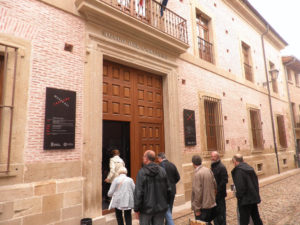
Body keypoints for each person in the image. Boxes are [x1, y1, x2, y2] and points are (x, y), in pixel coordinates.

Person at [134, 150, 171, 225]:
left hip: (146, 209)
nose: (142, 158)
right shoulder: (162, 171)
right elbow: (169, 189)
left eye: (144, 156)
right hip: (160, 208)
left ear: (146, 158)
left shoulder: (141, 172)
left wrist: (136, 208)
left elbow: (139, 192)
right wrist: (165, 203)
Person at [231, 154, 263, 225]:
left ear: (235, 161)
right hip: (253, 197)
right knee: (256, 218)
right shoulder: (250, 168)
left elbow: (241, 187)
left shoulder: (238, 171)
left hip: (245, 200)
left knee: (244, 221)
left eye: (233, 162)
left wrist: (238, 196)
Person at [191, 155, 217, 225]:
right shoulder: (208, 170)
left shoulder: (198, 174)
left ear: (193, 163)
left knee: (202, 223)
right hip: (210, 204)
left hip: (203, 206)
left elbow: (197, 193)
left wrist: (197, 209)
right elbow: (215, 185)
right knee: (208, 222)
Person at [158, 152, 180, 225]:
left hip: (163, 191)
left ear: (160, 158)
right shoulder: (172, 165)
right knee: (170, 207)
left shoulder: (159, 167)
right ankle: (167, 223)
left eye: (158, 159)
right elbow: (178, 177)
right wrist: (172, 184)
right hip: (172, 190)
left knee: (162, 209)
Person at [211, 151, 228, 225]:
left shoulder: (222, 167)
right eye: (211, 156)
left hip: (220, 195)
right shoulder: (212, 166)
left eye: (213, 156)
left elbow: (225, 180)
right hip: (214, 195)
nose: (212, 158)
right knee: (214, 213)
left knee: (221, 213)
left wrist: (217, 190)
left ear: (217, 157)